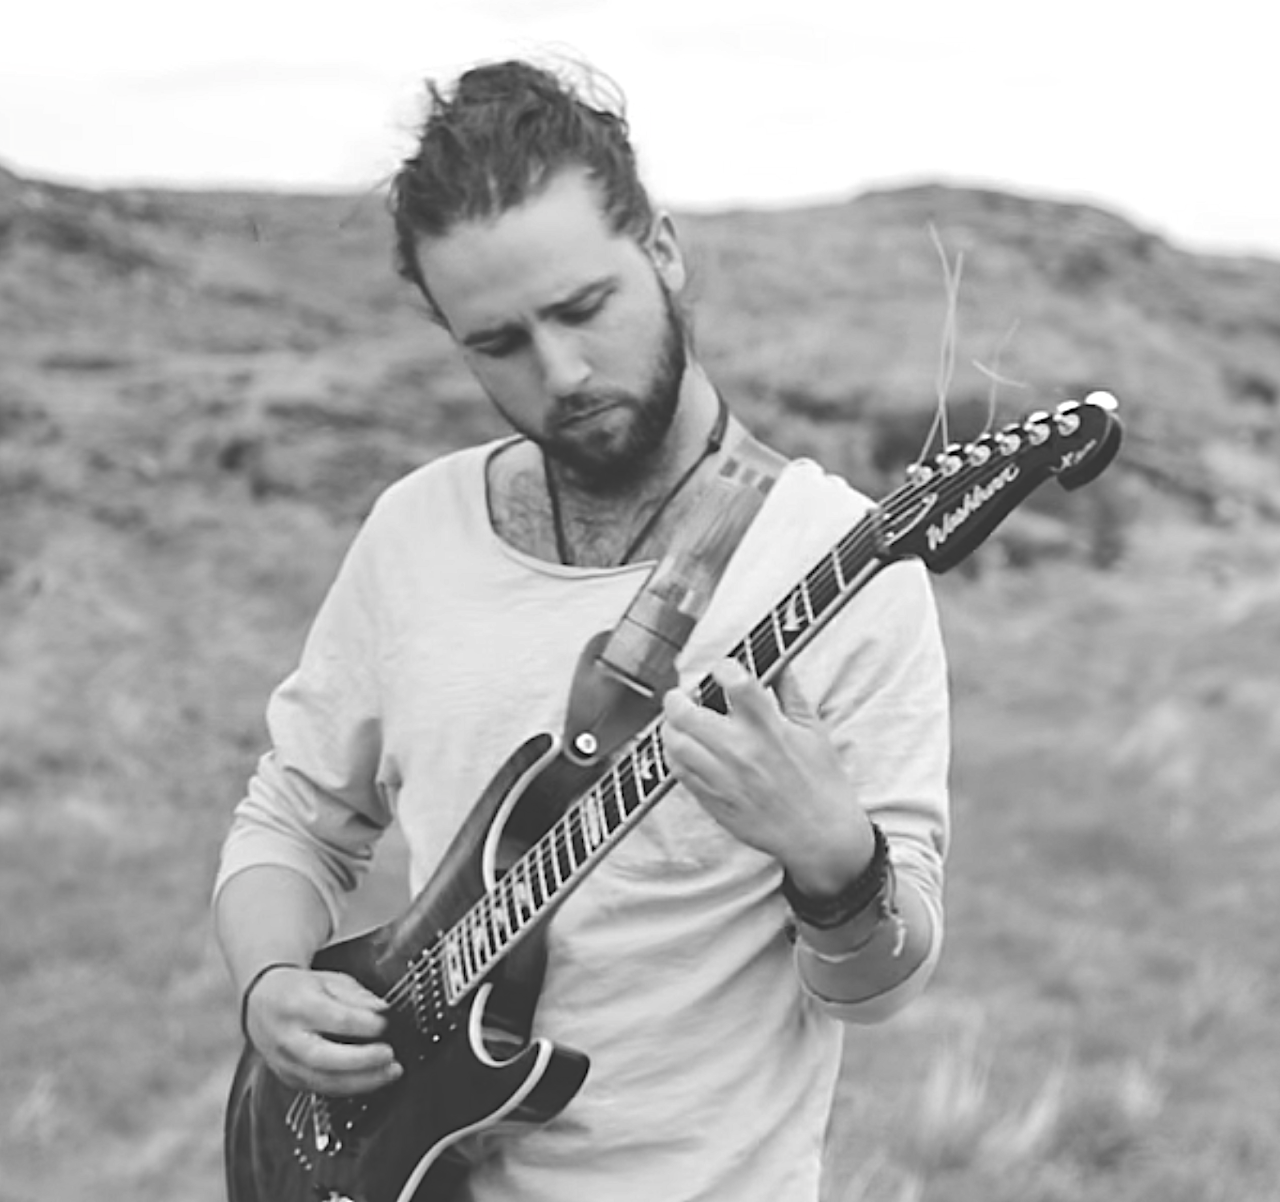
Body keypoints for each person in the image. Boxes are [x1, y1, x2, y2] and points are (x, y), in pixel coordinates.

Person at [213, 58, 950, 1202]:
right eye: (496, 342)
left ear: (662, 249)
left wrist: (833, 858)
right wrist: (268, 981)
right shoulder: (414, 530)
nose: (559, 372)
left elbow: (879, 989)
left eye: (581, 308)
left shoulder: (840, 563)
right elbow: (293, 817)